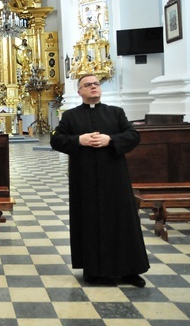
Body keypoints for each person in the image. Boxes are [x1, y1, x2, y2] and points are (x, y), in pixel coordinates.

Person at [50, 74, 149, 287]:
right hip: (84, 179)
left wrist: (111, 139)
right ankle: (95, 272)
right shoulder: (70, 116)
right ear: (80, 92)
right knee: (90, 221)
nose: (93, 87)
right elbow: (56, 140)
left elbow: (134, 136)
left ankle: (130, 271)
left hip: (115, 178)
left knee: (123, 221)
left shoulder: (116, 113)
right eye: (88, 85)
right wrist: (79, 140)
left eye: (96, 84)